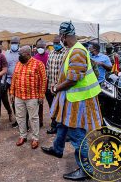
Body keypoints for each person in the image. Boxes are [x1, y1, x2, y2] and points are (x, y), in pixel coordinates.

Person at [41, 21, 102, 181]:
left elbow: (74, 79)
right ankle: (57, 149)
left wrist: (56, 88)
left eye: (60, 36)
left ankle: (86, 169)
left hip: (79, 101)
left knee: (76, 134)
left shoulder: (77, 52)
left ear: (63, 35)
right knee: (62, 124)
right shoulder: (73, 50)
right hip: (72, 99)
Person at [10, 45, 47, 149]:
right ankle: (23, 136)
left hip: (32, 96)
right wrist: (12, 93)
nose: (19, 56)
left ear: (27, 54)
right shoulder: (18, 64)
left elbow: (43, 81)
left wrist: (41, 95)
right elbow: (14, 78)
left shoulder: (38, 64)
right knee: (20, 117)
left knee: (33, 118)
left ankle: (35, 138)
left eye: (20, 54)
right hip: (19, 96)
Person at [45, 35, 69, 134]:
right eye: (54, 43)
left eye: (57, 43)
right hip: (50, 86)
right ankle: (54, 126)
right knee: (52, 107)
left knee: (63, 108)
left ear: (62, 43)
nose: (55, 45)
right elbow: (47, 69)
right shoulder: (51, 53)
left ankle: (64, 130)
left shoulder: (66, 54)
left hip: (61, 87)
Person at [4, 37, 20, 127]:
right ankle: (10, 112)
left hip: (18, 81)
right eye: (12, 43)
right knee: (3, 96)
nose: (13, 44)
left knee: (16, 101)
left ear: (18, 44)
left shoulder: (22, 53)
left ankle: (18, 120)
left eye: (15, 43)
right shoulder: (7, 54)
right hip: (8, 80)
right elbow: (5, 67)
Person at [33, 39, 49, 127]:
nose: (40, 49)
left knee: (52, 103)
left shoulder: (49, 56)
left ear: (45, 47)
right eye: (38, 47)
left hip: (49, 84)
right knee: (39, 103)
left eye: (41, 47)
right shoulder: (35, 57)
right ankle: (40, 121)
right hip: (38, 85)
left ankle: (55, 122)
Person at [0, 44, 13, 122]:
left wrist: (3, 81)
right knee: (1, 99)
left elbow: (5, 70)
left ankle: (10, 112)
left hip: (6, 80)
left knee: (9, 98)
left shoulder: (5, 56)